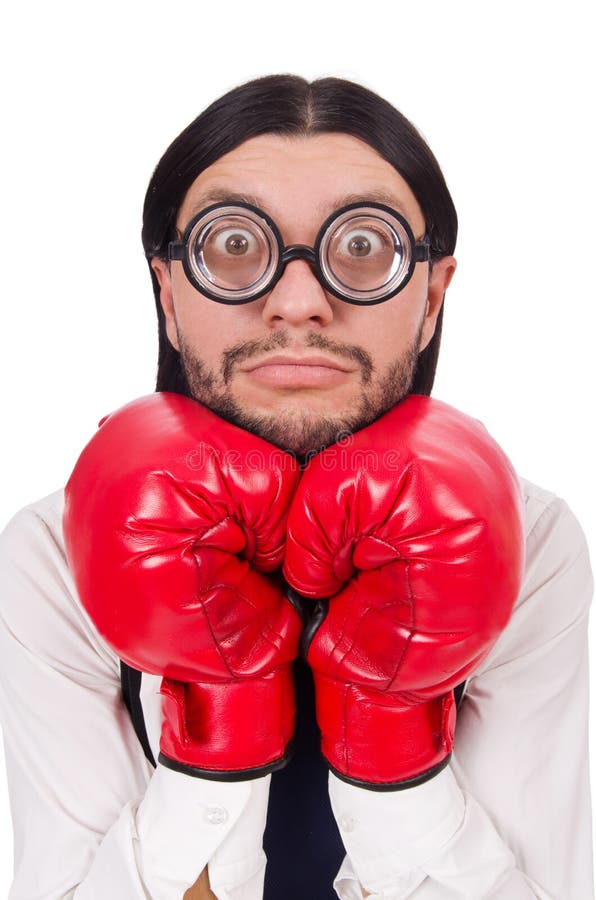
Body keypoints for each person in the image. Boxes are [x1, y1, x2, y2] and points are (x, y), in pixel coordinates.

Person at [0, 74, 592, 900]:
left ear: (430, 298)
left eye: (363, 248)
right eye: (234, 246)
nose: (299, 302)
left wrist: (392, 738)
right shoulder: (53, 556)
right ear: (168, 294)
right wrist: (216, 719)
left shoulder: (530, 541)